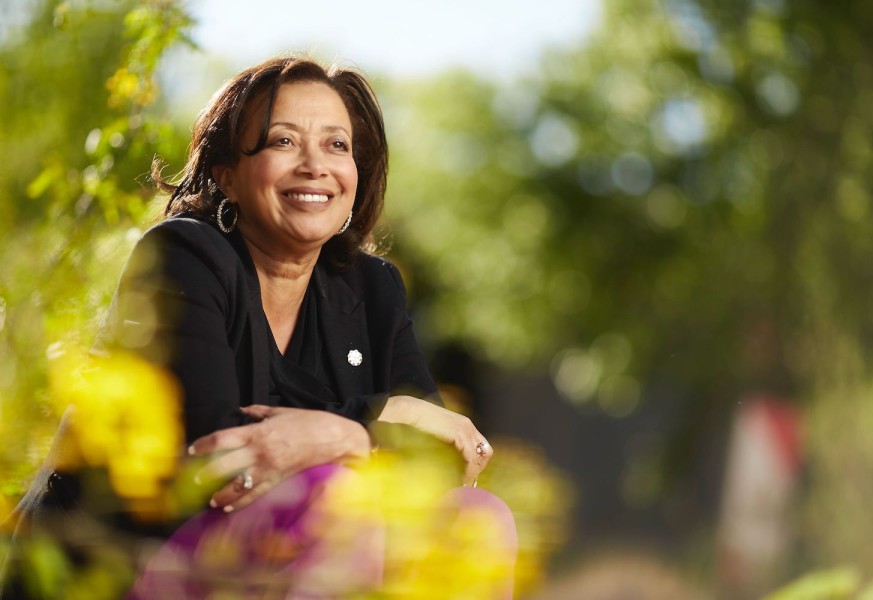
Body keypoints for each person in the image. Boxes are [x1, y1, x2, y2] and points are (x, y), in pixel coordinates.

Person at [3, 56, 516, 598]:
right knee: (328, 493)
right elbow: (222, 458)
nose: (315, 165)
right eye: (283, 141)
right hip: (117, 565)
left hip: (251, 562)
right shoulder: (184, 255)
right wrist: (366, 425)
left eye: (337, 145)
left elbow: (440, 456)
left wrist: (350, 435)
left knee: (477, 518)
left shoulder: (373, 287)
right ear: (227, 175)